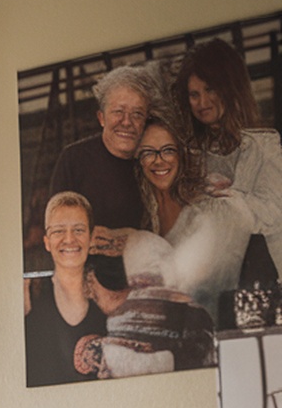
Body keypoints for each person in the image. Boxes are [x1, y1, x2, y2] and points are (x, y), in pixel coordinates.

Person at [120, 117, 255, 322]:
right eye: (148, 152)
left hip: (219, 339)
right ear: (138, 160)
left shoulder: (208, 211)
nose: (159, 160)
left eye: (168, 150)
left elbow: (182, 283)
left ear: (182, 154)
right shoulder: (145, 218)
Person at [174, 38, 282, 286]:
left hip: (267, 281)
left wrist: (226, 197)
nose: (202, 103)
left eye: (210, 89)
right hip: (213, 283)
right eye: (194, 94)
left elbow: (275, 213)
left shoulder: (265, 144)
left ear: (230, 87)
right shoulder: (188, 155)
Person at [48, 66, 152, 289]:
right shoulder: (73, 159)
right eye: (118, 112)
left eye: (137, 114)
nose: (127, 122)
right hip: (87, 283)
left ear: (145, 121)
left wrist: (127, 239)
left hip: (145, 280)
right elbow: (59, 234)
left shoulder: (155, 161)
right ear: (101, 117)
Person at [24, 192, 108, 386]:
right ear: (47, 242)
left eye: (78, 230)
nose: (69, 239)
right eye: (58, 231)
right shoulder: (29, 297)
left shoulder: (109, 298)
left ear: (91, 237)